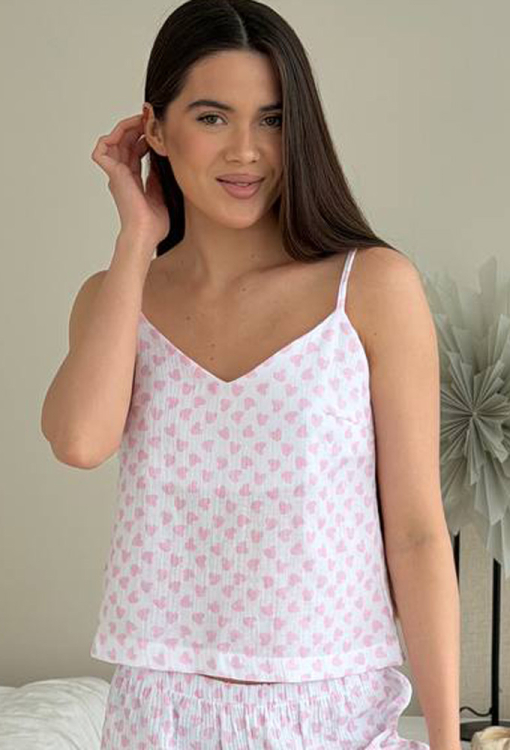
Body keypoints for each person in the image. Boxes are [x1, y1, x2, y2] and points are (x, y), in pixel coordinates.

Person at [41, 0, 450, 747]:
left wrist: (449, 742)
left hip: (333, 710)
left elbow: (419, 535)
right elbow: (79, 442)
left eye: (272, 119)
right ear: (155, 129)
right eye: (211, 117)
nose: (247, 151)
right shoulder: (116, 299)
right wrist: (136, 238)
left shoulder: (371, 287)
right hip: (158, 715)